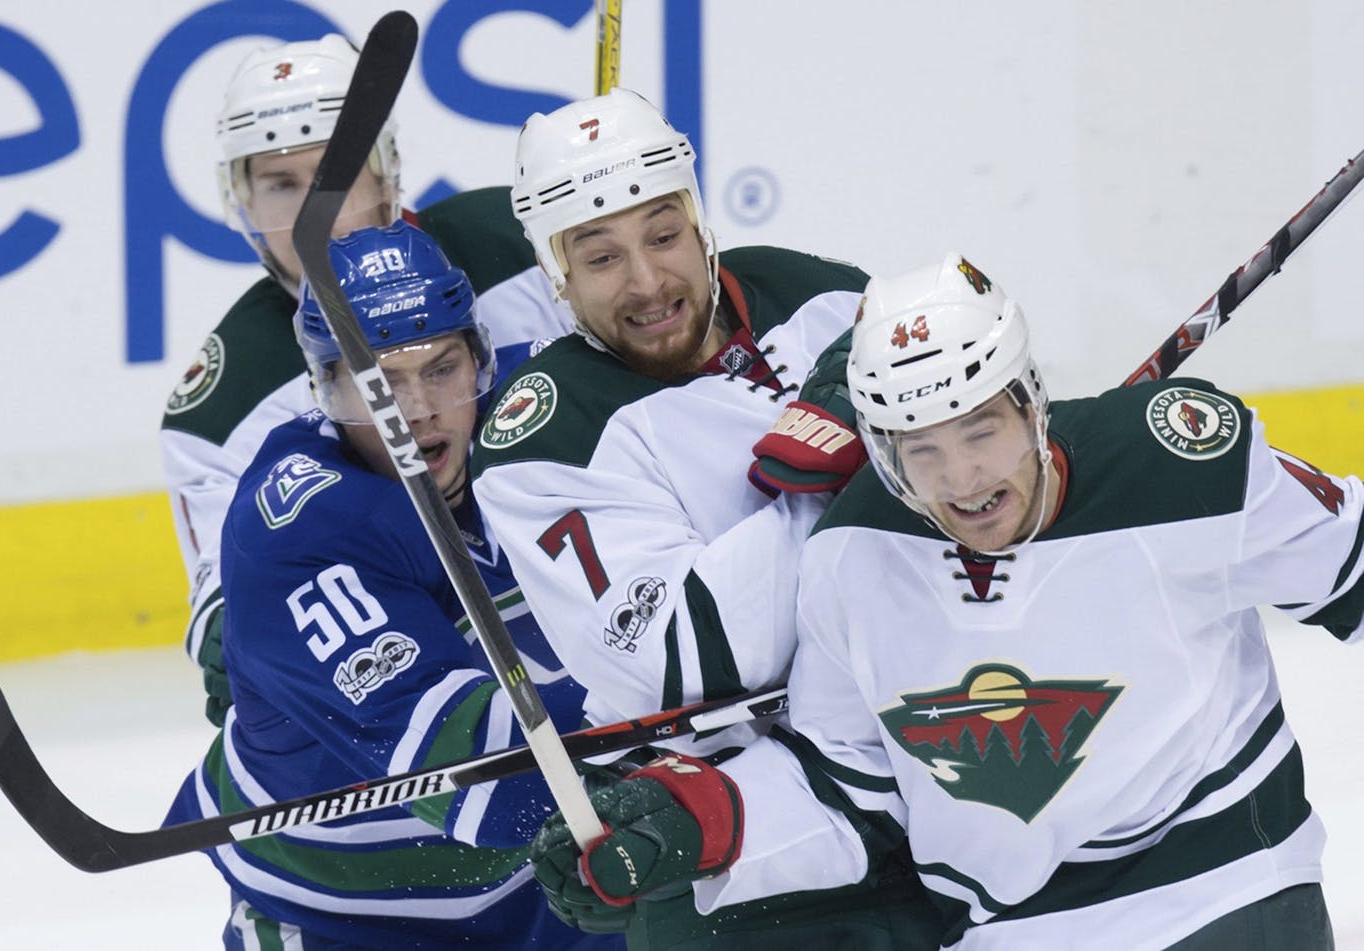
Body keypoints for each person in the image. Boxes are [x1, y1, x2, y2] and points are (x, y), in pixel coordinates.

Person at [532, 252, 1362, 949]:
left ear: (1031, 401)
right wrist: (698, 819)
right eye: (922, 449)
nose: (963, 479)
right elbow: (849, 788)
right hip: (1011, 929)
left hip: (1228, 891)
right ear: (883, 456)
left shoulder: (1181, 464)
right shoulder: (853, 554)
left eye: (980, 429)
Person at [469, 88, 942, 948]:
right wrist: (831, 484)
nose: (649, 282)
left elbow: (977, 490)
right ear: (556, 274)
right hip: (739, 854)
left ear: (697, 216)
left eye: (663, 234)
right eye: (601, 256)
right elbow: (688, 658)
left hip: (937, 787)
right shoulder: (541, 435)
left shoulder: (820, 295)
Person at [165, 221, 619, 950]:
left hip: (554, 885)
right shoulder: (298, 530)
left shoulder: (549, 403)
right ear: (325, 391)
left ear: (480, 361)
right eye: (375, 385)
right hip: (346, 915)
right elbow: (485, 776)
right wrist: (676, 716)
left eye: (441, 368)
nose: (415, 411)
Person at [160, 33, 569, 726]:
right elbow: (224, 602)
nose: (306, 214)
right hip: (426, 674)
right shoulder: (220, 409)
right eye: (280, 184)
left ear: (386, 173)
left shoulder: (520, 242)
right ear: (244, 204)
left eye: (332, 176)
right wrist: (246, 635)